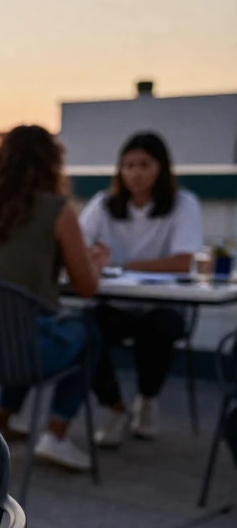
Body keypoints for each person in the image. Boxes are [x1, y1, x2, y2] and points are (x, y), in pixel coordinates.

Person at [0, 125, 106, 470]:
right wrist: (96, 260)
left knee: (18, 323)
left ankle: (3, 421)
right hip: (24, 351)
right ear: (51, 164)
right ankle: (56, 434)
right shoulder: (57, 210)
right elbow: (86, 287)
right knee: (88, 333)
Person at [79, 132, 203, 446]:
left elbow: (182, 262)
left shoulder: (183, 204)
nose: (135, 173)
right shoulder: (103, 203)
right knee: (83, 331)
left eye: (144, 165)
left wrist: (123, 266)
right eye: (128, 165)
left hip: (162, 305)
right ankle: (114, 407)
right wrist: (93, 258)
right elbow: (77, 250)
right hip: (116, 304)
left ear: (161, 169)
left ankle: (147, 400)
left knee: (161, 327)